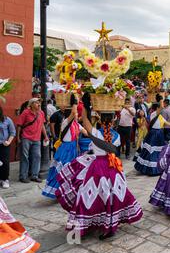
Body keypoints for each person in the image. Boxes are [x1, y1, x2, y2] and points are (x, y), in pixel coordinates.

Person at [55, 97, 143, 240]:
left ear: (101, 121)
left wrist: (86, 104)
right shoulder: (117, 136)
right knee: (112, 195)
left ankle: (85, 224)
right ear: (114, 120)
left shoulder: (96, 133)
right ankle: (110, 225)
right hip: (113, 168)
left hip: (97, 169)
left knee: (90, 195)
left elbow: (84, 118)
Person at [42, 98, 87, 199]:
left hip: (74, 149)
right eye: (75, 115)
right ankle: (59, 192)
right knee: (63, 171)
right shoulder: (65, 122)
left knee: (72, 172)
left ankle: (69, 192)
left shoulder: (77, 124)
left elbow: (86, 132)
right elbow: (74, 111)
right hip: (65, 150)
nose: (76, 115)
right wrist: (75, 101)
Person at [134, 102, 170, 176]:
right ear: (157, 108)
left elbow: (165, 122)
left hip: (159, 134)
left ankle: (157, 167)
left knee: (158, 151)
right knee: (151, 151)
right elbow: (161, 122)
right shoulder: (154, 114)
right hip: (154, 134)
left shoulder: (159, 115)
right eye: (160, 107)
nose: (162, 109)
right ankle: (151, 169)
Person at [16, 98, 49, 184]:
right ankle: (23, 176)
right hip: (26, 138)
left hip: (37, 139)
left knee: (37, 156)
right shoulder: (26, 112)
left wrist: (45, 136)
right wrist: (18, 138)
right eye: (37, 102)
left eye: (40, 102)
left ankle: (34, 175)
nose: (39, 104)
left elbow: (42, 125)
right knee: (25, 157)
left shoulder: (41, 113)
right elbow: (19, 125)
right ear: (31, 104)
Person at [0, 107, 16, 189]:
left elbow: (12, 132)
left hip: (4, 144)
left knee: (5, 162)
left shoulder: (7, 120)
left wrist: (9, 142)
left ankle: (5, 179)